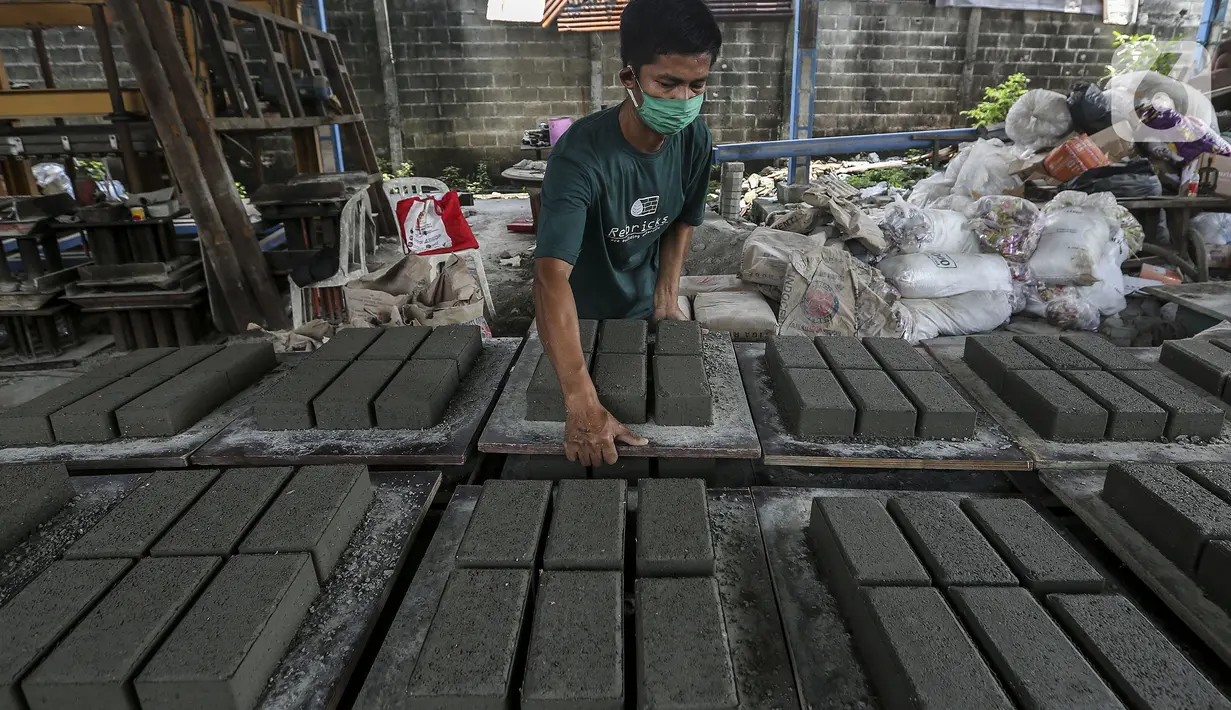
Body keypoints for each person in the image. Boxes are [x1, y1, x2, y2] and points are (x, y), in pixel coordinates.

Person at [531, 0, 720, 466]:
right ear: (629, 79)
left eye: (697, 85)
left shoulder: (695, 138)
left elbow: (682, 220)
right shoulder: (580, 157)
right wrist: (579, 401)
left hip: (639, 312)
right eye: (667, 83)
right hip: (577, 323)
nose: (683, 101)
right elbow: (550, 277)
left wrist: (666, 298)